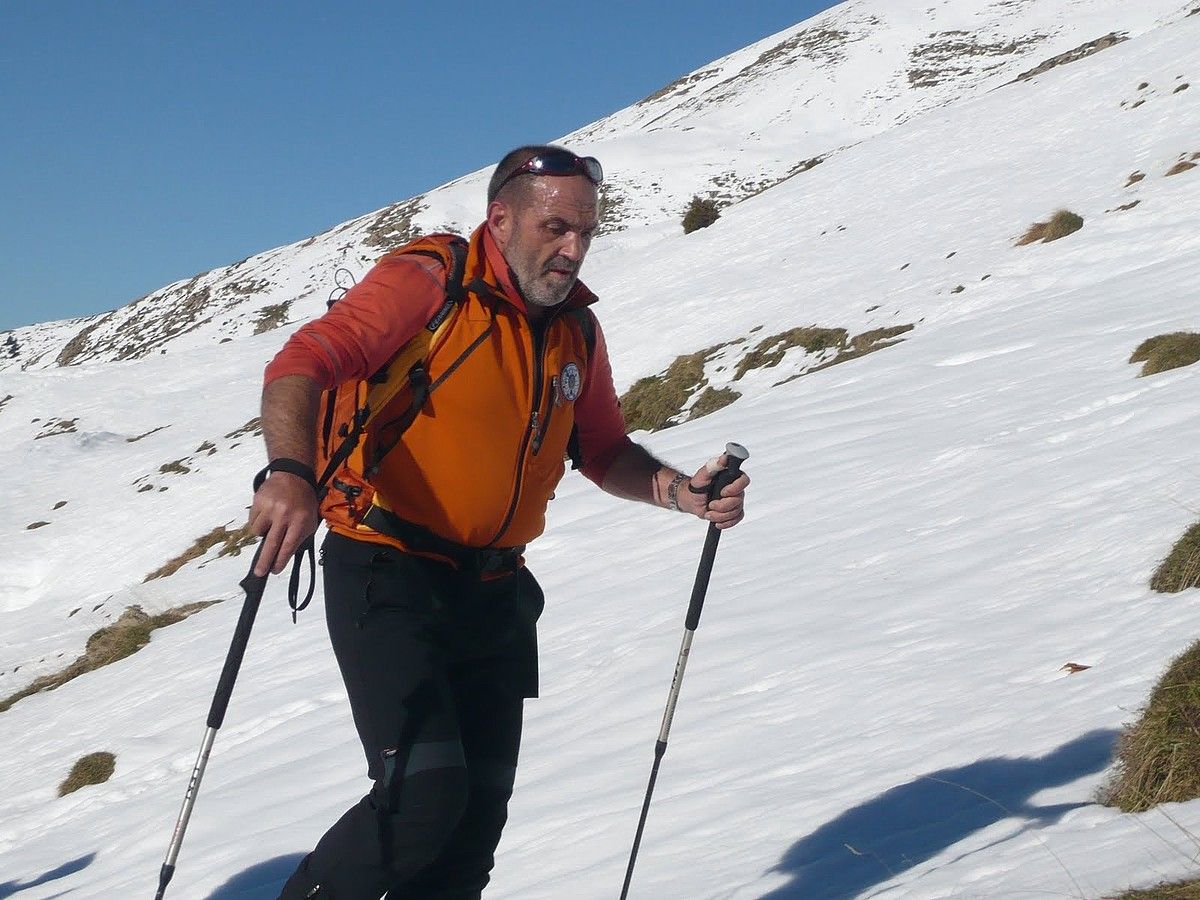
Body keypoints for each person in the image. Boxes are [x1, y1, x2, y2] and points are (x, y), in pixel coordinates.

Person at [250, 144, 750, 899]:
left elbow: (602, 448)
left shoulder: (574, 329)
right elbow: (301, 362)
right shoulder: (430, 284)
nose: (573, 249)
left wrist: (685, 494)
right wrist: (289, 471)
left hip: (493, 589)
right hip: (387, 571)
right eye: (555, 227)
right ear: (501, 217)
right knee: (421, 799)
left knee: (473, 828)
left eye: (585, 231)